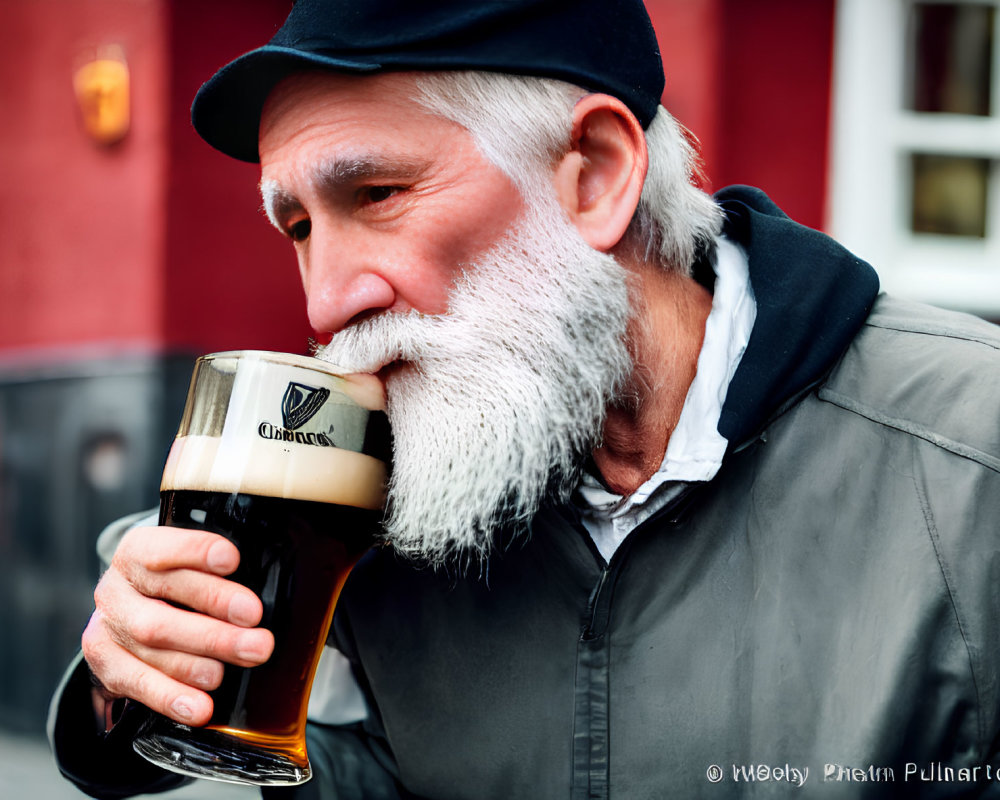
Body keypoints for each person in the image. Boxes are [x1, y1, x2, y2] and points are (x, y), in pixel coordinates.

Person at [50, 1, 1000, 797]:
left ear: (594, 174)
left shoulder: (972, 455)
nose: (325, 301)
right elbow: (358, 764)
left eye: (377, 192)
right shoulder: (386, 484)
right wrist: (124, 683)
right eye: (298, 226)